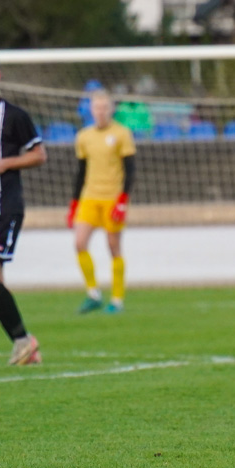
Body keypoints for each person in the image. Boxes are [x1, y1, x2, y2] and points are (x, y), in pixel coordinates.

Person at [0, 42, 47, 365]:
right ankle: (27, 350)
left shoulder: (15, 116)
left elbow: (39, 155)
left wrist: (3, 164)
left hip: (5, 208)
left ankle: (22, 341)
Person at [67, 89, 136, 314]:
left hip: (112, 198)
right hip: (89, 197)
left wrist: (123, 200)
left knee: (113, 246)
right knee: (79, 243)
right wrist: (74, 203)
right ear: (91, 110)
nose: (101, 112)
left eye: (104, 108)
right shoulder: (84, 136)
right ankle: (93, 293)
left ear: (111, 109)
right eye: (97, 108)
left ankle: (117, 299)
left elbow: (130, 169)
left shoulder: (122, 133)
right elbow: (81, 171)